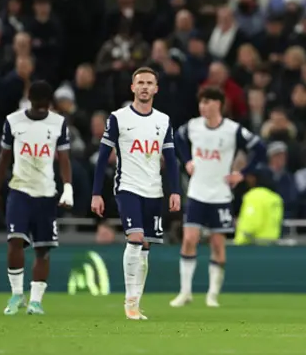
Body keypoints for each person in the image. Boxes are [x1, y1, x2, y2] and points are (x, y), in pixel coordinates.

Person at [91, 67, 181, 320]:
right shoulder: (118, 118)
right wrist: (96, 193)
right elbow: (101, 158)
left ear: (156, 89)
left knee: (146, 246)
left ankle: (136, 303)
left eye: (149, 83)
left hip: (154, 190)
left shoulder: (163, 120)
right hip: (127, 187)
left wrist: (175, 191)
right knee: (136, 237)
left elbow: (171, 160)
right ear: (132, 87)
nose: (144, 87)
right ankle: (129, 302)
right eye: (140, 82)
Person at [170, 87, 265, 308]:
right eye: (201, 102)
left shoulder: (232, 130)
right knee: (189, 239)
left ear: (219, 104)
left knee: (217, 244)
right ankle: (185, 292)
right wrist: (186, 161)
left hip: (221, 194)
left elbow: (259, 148)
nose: (203, 107)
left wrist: (241, 173)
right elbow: (177, 138)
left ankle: (212, 294)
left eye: (208, 102)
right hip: (197, 192)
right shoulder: (193, 126)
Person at [0, 81, 74, 316]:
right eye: (36, 104)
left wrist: (68, 188)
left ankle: (36, 301)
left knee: (42, 249)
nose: (39, 109)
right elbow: (4, 158)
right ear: (29, 99)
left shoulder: (58, 123)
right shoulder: (13, 121)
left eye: (43, 105)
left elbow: (64, 158)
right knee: (15, 241)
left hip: (46, 193)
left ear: (49, 104)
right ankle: (17, 294)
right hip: (20, 190)